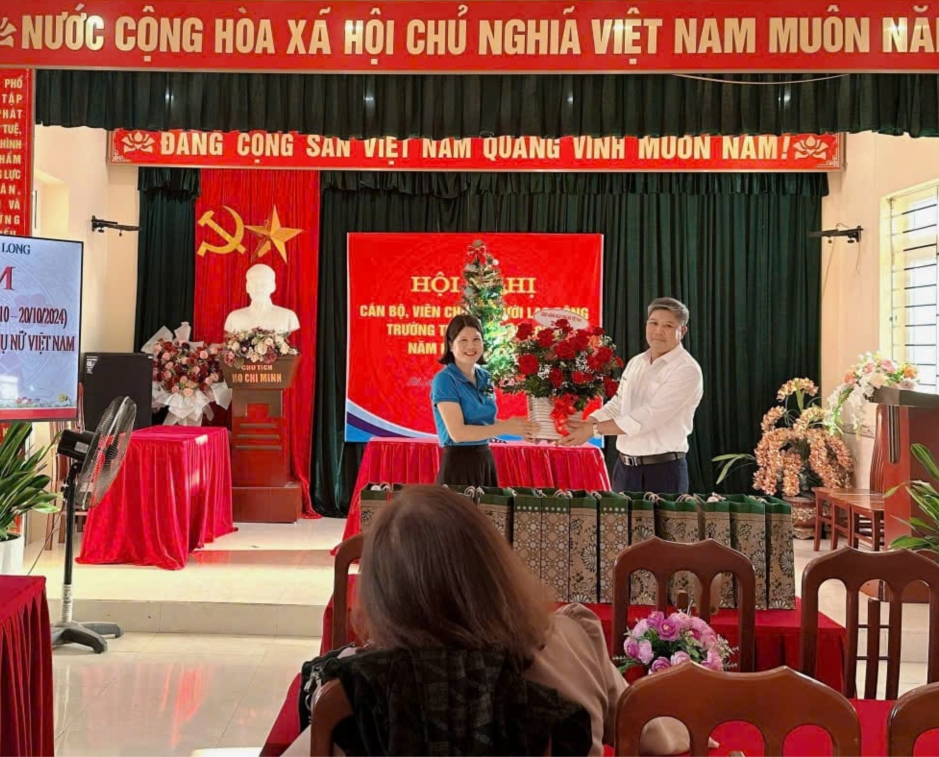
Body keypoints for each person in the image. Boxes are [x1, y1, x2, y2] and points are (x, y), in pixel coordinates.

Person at [283, 487, 692, 757]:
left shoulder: (366, 692)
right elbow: (653, 735)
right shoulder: (573, 640)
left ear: (383, 595)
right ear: (494, 565)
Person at [558, 297, 703, 495]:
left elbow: (648, 416)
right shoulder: (637, 362)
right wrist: (589, 423)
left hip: (663, 471)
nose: (658, 331)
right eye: (653, 323)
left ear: (682, 331)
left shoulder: (686, 370)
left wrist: (593, 430)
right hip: (624, 470)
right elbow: (619, 404)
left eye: (668, 326)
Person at [431, 314, 535, 486]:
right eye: (463, 340)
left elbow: (485, 422)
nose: (471, 346)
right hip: (458, 464)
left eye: (476, 339)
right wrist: (506, 427)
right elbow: (458, 433)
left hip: (484, 459)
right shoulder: (444, 380)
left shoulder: (485, 377)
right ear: (450, 345)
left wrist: (520, 429)